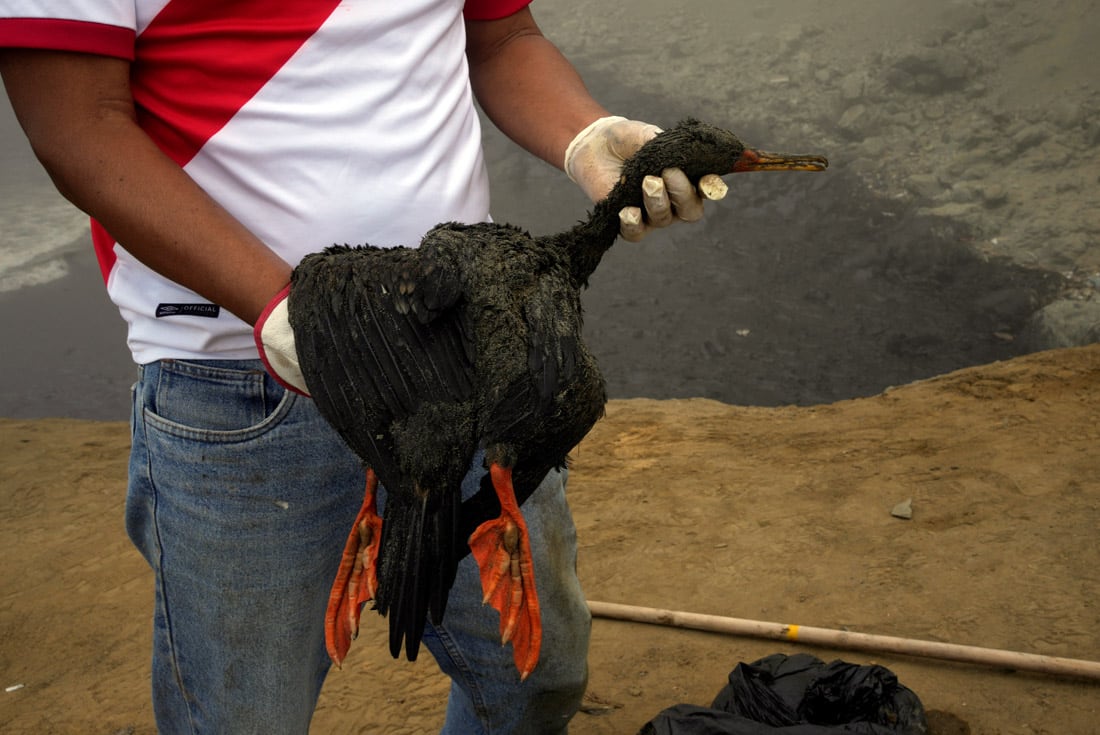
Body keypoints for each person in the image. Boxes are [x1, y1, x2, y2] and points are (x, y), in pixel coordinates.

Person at [0, 2, 726, 732]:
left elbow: (503, 37)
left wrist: (585, 137)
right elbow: (77, 125)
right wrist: (291, 312)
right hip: (239, 382)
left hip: (464, 348)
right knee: (242, 715)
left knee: (534, 679)